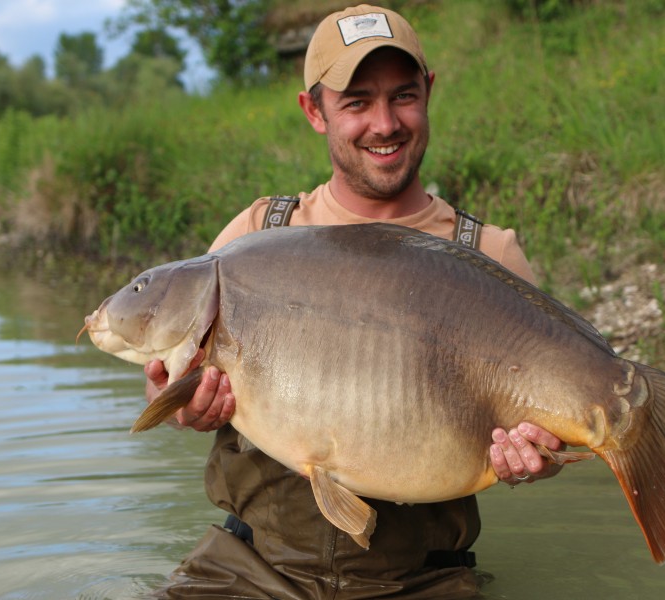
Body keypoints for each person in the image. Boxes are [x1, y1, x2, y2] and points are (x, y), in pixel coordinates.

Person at [147, 5, 565, 598]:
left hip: (424, 581)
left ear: (429, 93)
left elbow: (550, 429)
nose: (384, 123)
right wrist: (183, 406)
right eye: (356, 102)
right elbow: (169, 384)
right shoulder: (254, 237)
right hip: (248, 572)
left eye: (402, 96)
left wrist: (539, 458)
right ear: (313, 110)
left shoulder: (489, 256)